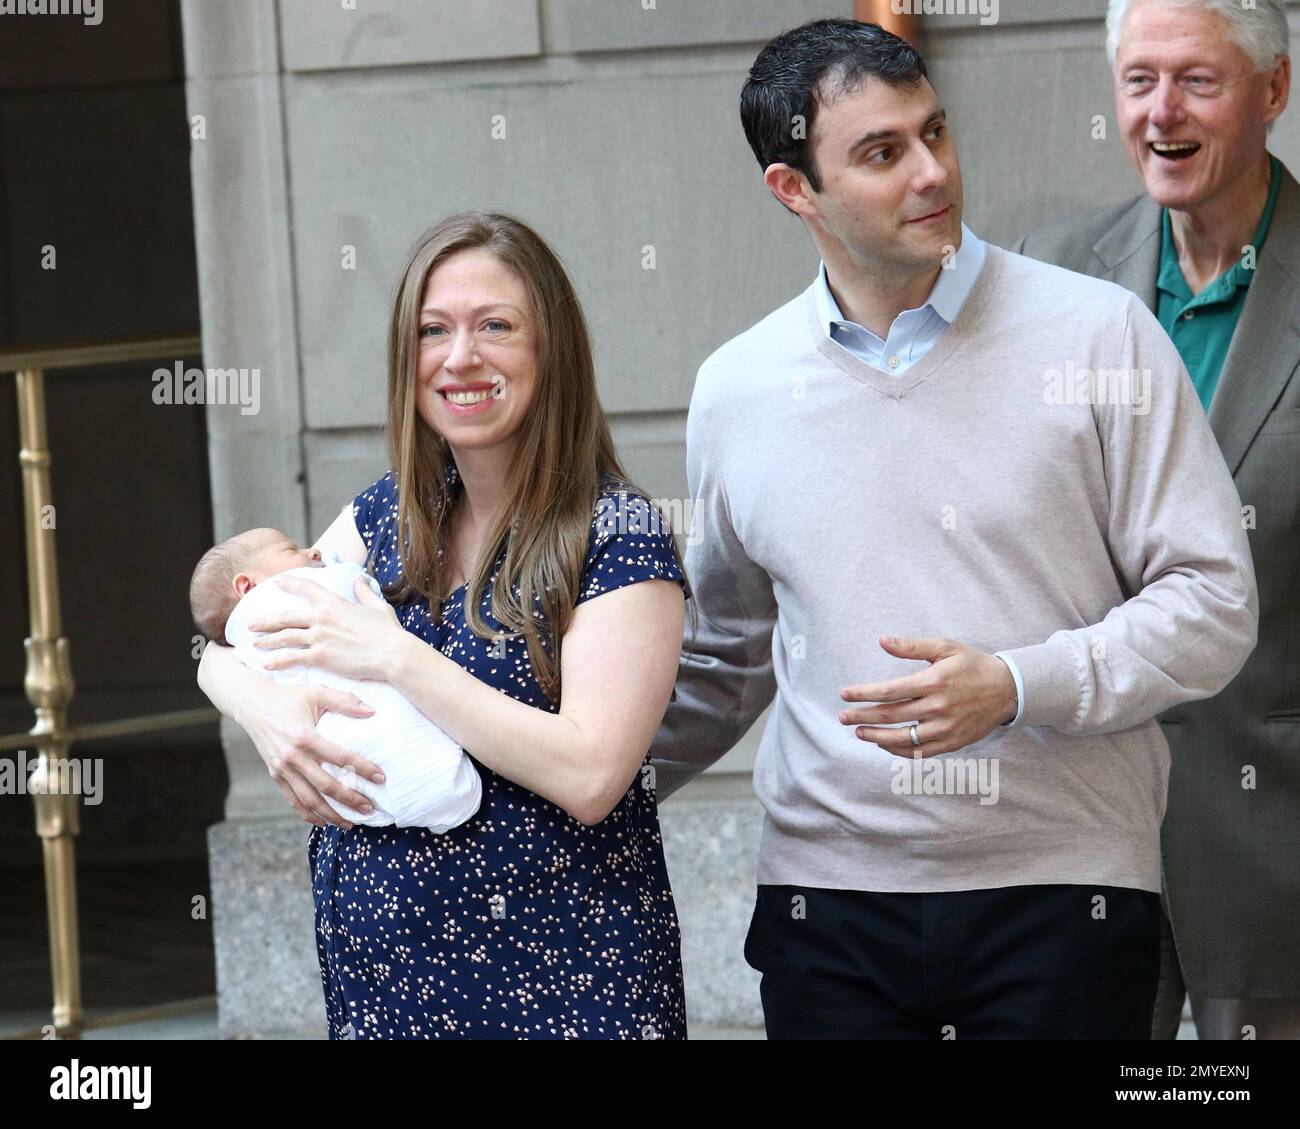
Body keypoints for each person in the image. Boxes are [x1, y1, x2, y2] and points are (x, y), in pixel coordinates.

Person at [649, 17, 1258, 1039]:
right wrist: (555, 787)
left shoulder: (1099, 334)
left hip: (1063, 896)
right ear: (794, 190)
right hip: (824, 906)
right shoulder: (735, 389)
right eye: (883, 154)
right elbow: (722, 658)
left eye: (934, 133)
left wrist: (1016, 685)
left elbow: (1212, 602)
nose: (931, 171)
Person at [197, 212, 692, 1040]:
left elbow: (591, 771)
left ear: (551, 348)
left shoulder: (618, 533)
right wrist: (262, 711)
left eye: (495, 325)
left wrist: (395, 657)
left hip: (564, 992)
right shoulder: (390, 512)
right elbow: (227, 638)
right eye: (434, 330)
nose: (460, 357)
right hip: (385, 989)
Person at [1014, 0, 1299, 1040]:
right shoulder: (1048, 273)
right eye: (1138, 81)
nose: (1160, 112)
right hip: (1078, 839)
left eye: (1197, 80)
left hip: (1275, 843)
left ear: (1272, 90)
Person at [189, 526, 481, 832]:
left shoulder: (242, 642)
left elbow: (214, 657)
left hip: (351, 802)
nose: (314, 552)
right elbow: (351, 585)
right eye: (292, 551)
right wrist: (259, 706)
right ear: (247, 586)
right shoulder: (283, 599)